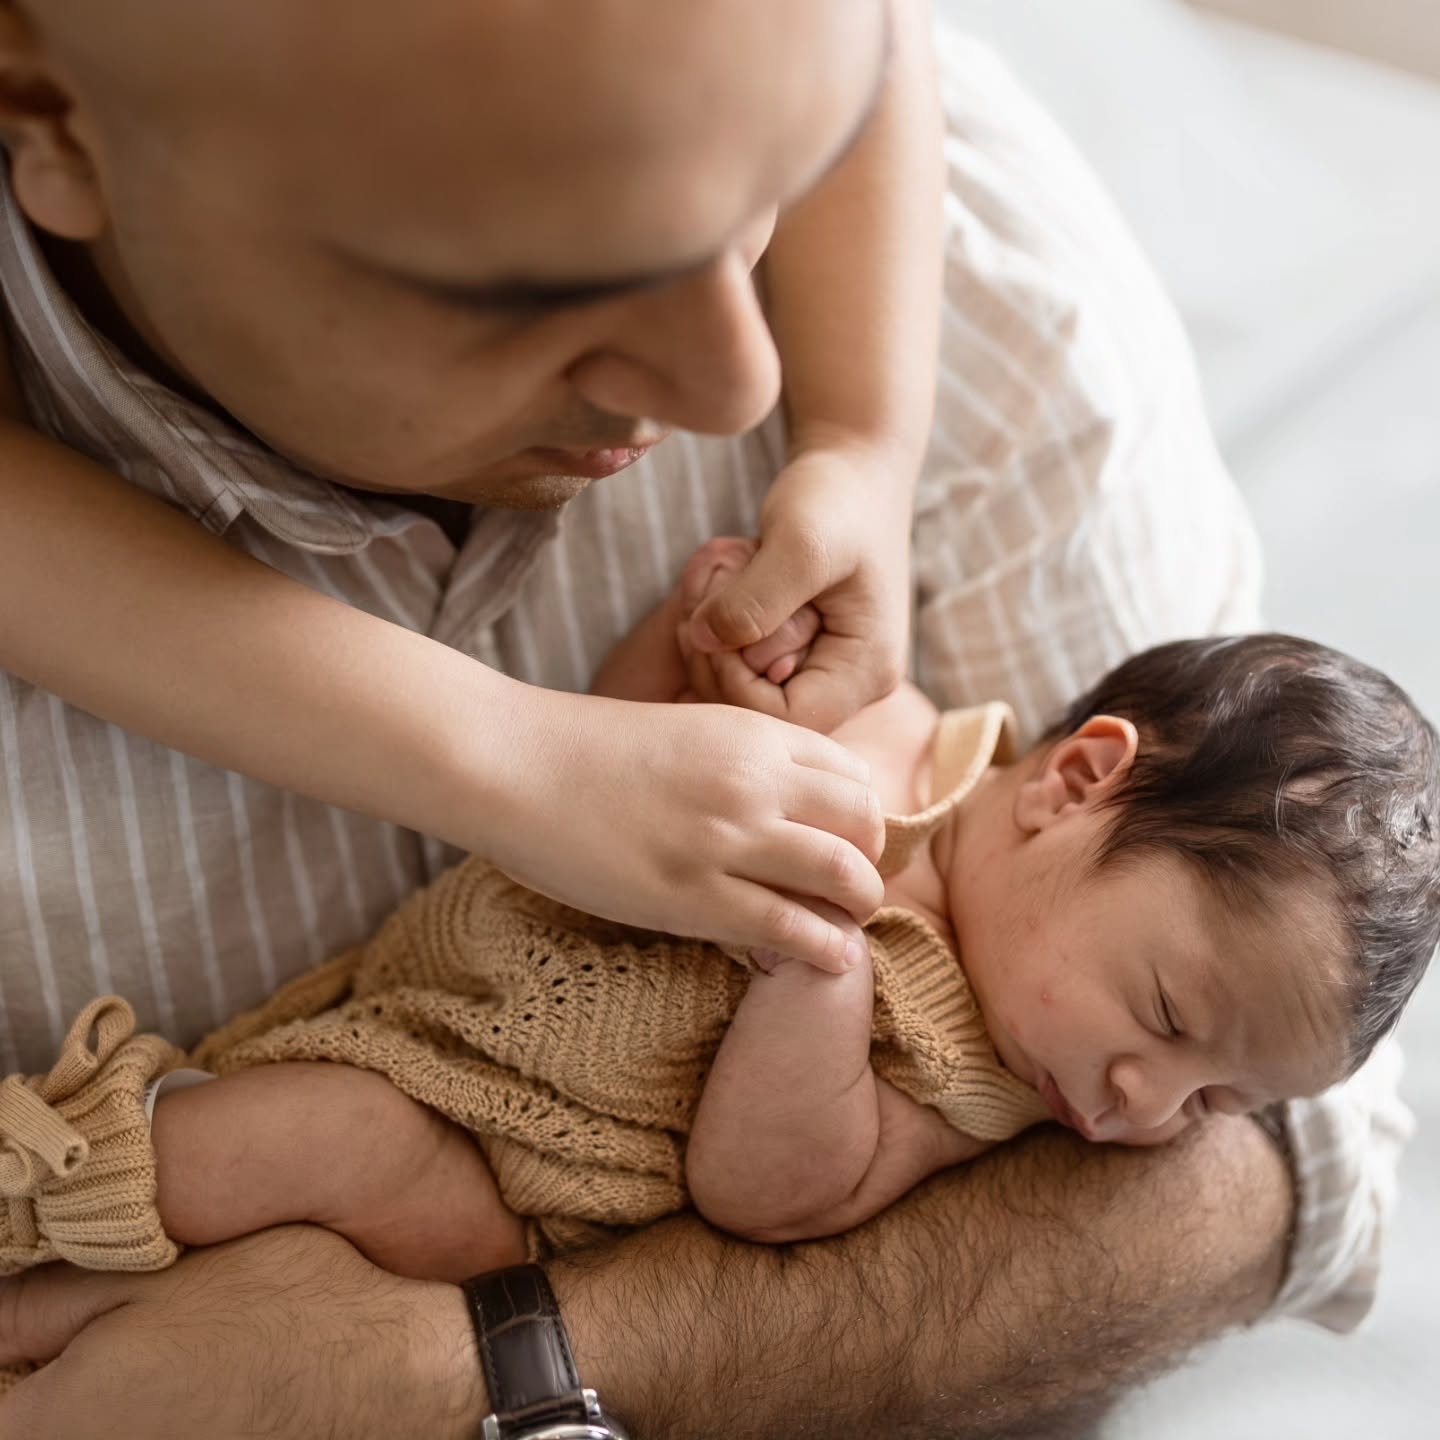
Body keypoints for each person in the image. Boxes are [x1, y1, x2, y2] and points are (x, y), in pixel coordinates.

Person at [0, 2, 1412, 1436]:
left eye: (767, 186)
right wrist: (528, 761)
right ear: (51, 120)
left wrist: (463, 1375)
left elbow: (1300, 1163)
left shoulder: (963, 259)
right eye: (531, 279)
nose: (740, 386)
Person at [3, 575, 1435, 1304]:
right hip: (445, 987)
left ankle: (35, 1222)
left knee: (309, 1149)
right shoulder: (874, 739)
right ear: (1071, 784)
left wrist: (816, 984)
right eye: (1171, 1017)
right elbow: (595, 779)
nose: (1146, 1108)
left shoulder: (987, 1083)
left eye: (1221, 1104)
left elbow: (779, 1198)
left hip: (508, 1178)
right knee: (237, 1139)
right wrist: (694, 668)